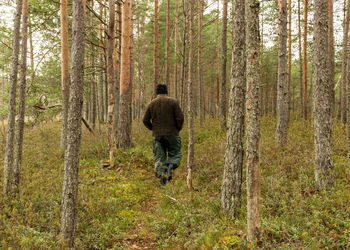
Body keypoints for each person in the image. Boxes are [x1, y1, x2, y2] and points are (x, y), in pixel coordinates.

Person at [142, 84, 184, 184]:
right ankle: (170, 167)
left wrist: (153, 129)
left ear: (157, 92)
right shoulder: (174, 102)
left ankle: (162, 179)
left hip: (157, 135)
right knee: (175, 154)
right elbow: (180, 118)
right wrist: (178, 128)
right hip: (172, 134)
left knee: (160, 158)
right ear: (166, 91)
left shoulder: (152, 103)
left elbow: (145, 120)